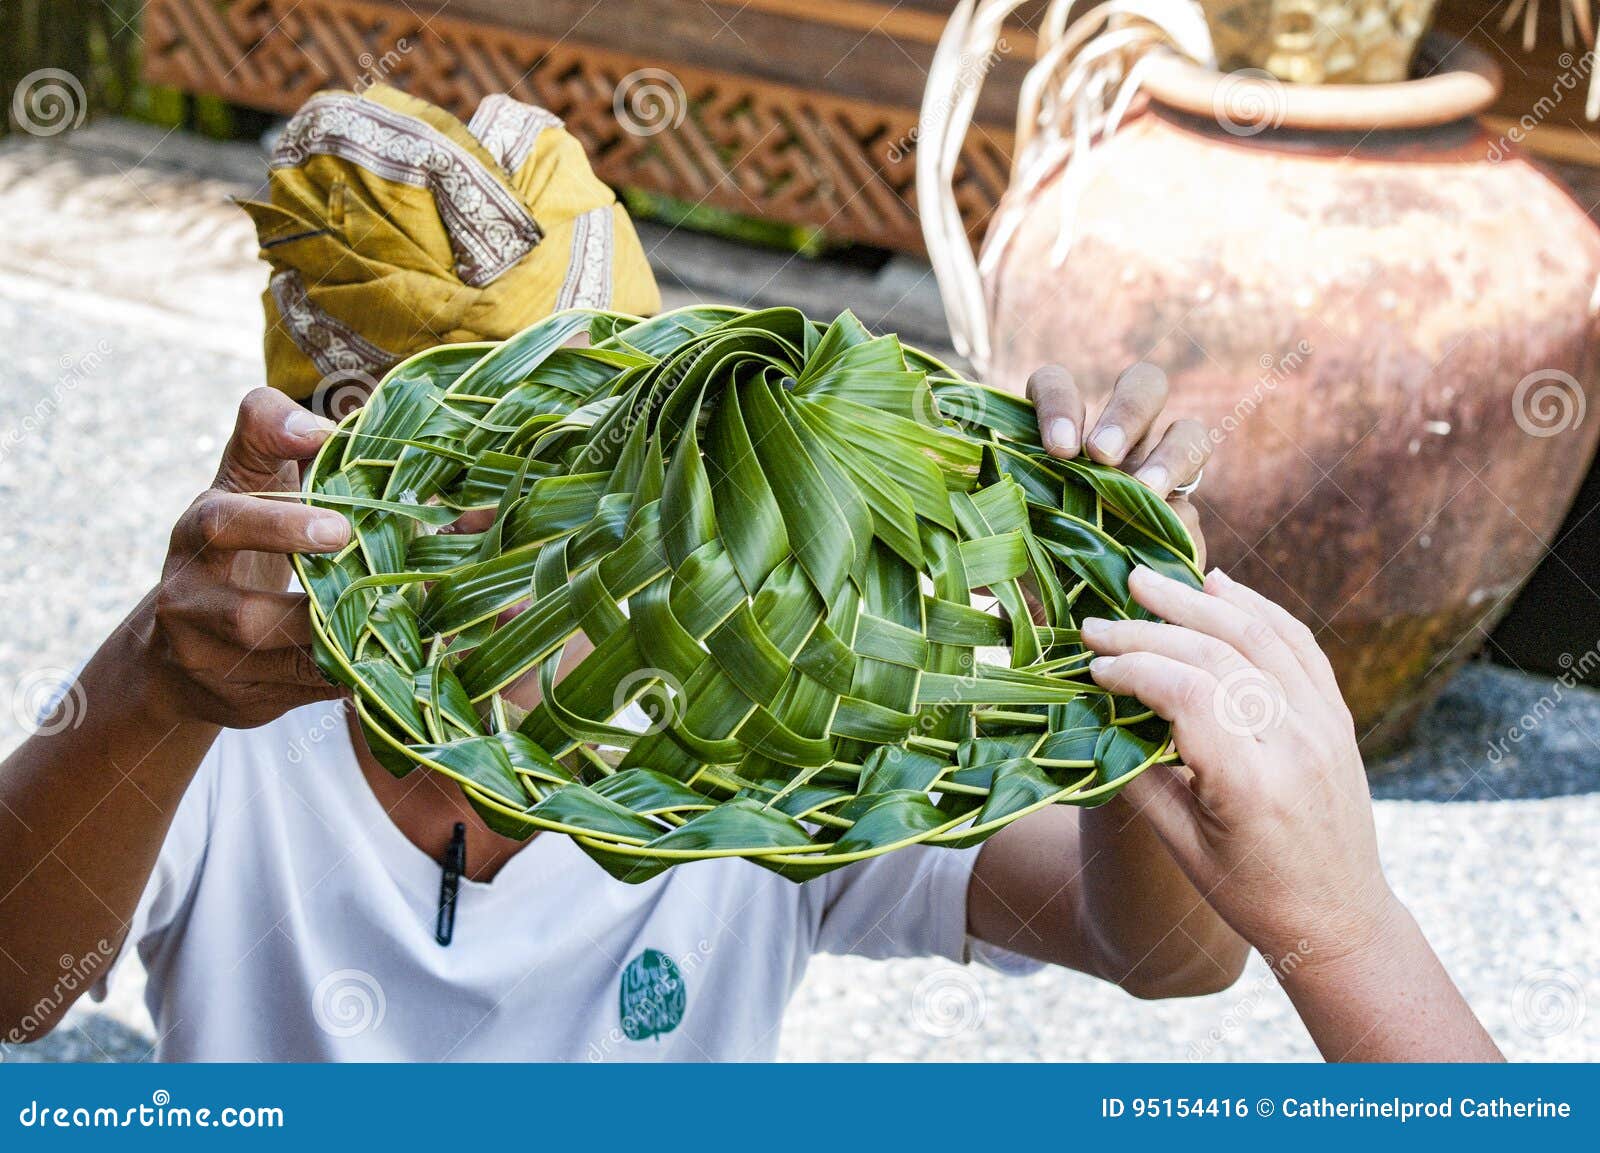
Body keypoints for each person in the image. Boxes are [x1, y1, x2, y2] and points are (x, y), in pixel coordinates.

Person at [0, 89, 1500, 1063]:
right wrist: (147, 692)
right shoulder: (225, 728)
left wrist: (1101, 661)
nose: (558, 558)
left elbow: (1160, 955)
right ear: (330, 490)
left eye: (622, 485)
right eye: (481, 499)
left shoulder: (760, 708)